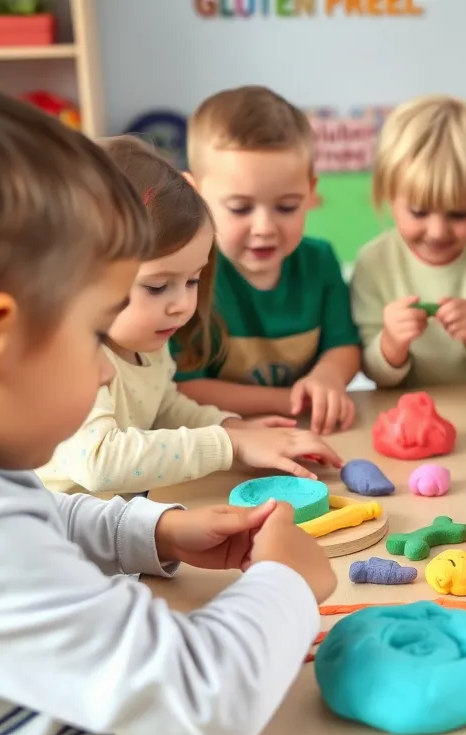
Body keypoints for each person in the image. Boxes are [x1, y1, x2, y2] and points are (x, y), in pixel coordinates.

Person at [0, 75, 337, 735]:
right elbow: (208, 695)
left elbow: (40, 515)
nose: (108, 369)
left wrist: (154, 530)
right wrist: (286, 582)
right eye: (93, 332)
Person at [36, 136, 342, 497]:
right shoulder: (70, 360)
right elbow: (101, 462)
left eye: (193, 280)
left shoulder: (145, 341)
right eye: (156, 287)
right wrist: (228, 444)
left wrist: (233, 426)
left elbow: (164, 407)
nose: (182, 304)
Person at [174, 85, 361, 434]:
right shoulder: (185, 278)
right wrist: (292, 398)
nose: (264, 228)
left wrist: (327, 377)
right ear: (195, 196)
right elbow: (184, 387)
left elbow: (344, 345)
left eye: (287, 206)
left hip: (311, 432)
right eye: (241, 208)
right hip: (222, 440)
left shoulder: (320, 261)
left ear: (310, 192)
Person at [349, 95, 466, 388]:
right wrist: (390, 344)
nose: (437, 232)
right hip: (402, 412)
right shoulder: (374, 261)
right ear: (388, 196)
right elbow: (371, 371)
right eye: (418, 212)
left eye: (459, 214)